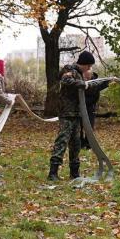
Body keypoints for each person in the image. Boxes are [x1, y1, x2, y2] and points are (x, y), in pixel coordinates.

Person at [47, 52, 94, 181]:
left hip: (77, 114)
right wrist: (82, 83)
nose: (89, 69)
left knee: (76, 144)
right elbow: (65, 80)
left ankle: (74, 172)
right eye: (88, 66)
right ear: (83, 63)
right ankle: (53, 172)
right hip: (67, 113)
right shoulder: (70, 70)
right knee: (62, 141)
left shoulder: (79, 74)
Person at [80, 68, 110, 150]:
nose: (86, 79)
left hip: (91, 106)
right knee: (79, 126)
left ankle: (89, 144)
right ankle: (81, 144)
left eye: (88, 77)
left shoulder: (96, 82)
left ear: (91, 75)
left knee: (89, 126)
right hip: (80, 106)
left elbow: (103, 84)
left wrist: (110, 81)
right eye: (85, 77)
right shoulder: (79, 81)